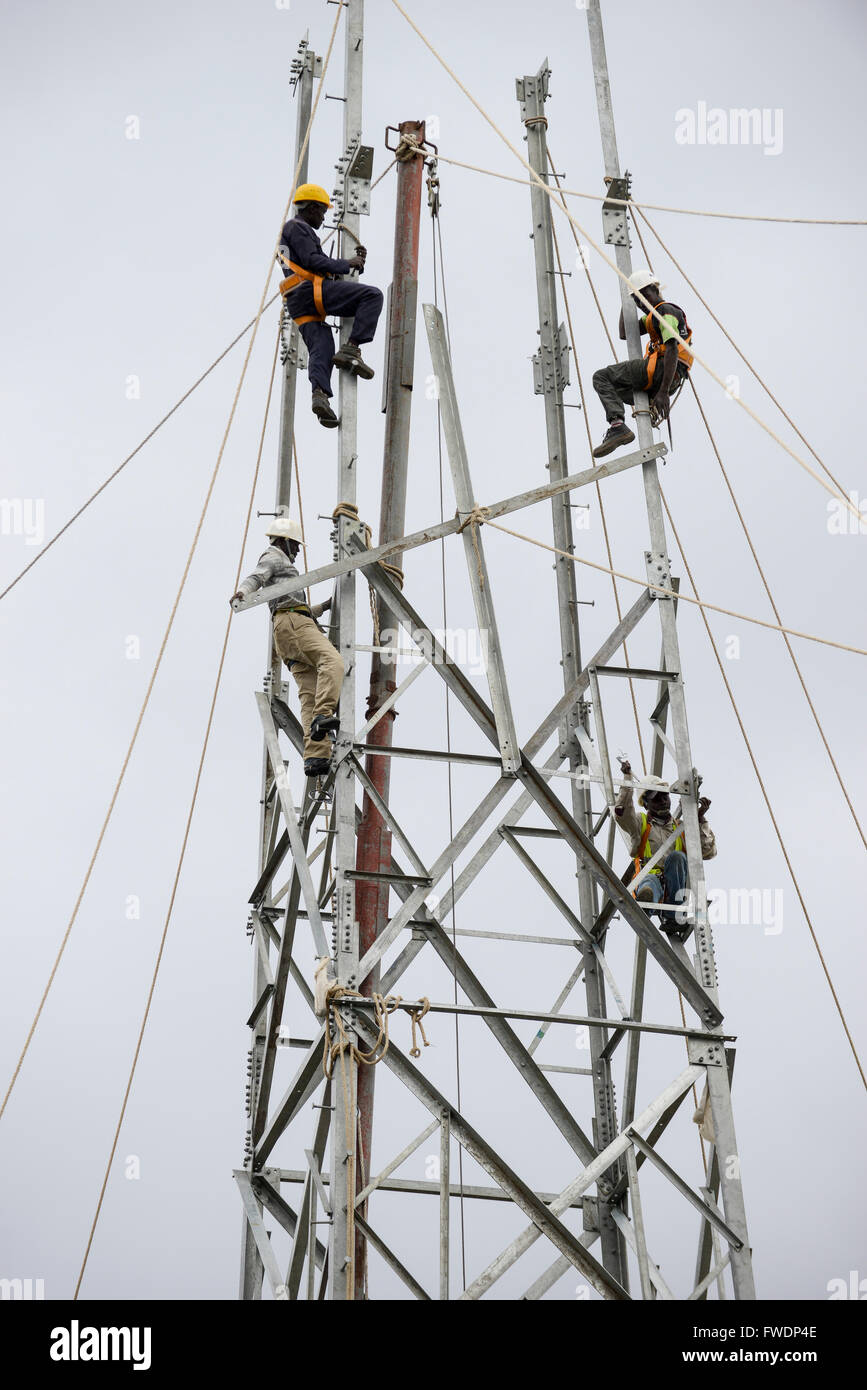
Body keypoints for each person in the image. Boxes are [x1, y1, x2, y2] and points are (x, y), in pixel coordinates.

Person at [231, 518, 343, 777]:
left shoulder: (282, 567)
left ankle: (315, 756)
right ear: (284, 541)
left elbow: (295, 606)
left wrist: (324, 607)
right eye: (296, 545)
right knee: (333, 662)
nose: (298, 551)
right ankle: (323, 715)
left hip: (287, 631)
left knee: (309, 695)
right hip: (293, 624)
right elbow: (256, 576)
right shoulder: (274, 556)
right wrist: (242, 592)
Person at [278, 183, 384, 429]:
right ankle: (352, 349)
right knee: (372, 296)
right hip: (309, 292)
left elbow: (310, 264)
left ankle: (320, 394)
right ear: (312, 207)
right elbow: (313, 260)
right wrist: (348, 263)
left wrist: (338, 271)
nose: (324, 215)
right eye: (322, 210)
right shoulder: (298, 227)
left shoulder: (291, 232)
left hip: (299, 302)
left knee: (322, 343)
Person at [591, 269, 693, 459]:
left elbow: (671, 349)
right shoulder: (653, 316)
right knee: (615, 389)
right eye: (636, 300)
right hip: (667, 377)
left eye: (642, 296)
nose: (640, 302)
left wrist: (662, 392)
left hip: (662, 371)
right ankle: (633, 414)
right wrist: (627, 299)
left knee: (602, 377)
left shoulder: (666, 311)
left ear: (654, 289)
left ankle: (617, 426)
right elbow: (625, 333)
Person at [615, 761, 715, 934]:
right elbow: (623, 814)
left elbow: (708, 852)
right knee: (649, 884)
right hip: (649, 879)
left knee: (677, 857)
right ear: (646, 804)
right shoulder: (641, 823)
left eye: (664, 796)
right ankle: (645, 906)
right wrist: (627, 781)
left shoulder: (681, 828)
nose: (663, 802)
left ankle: (673, 916)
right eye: (656, 799)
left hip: (674, 886)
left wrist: (699, 820)